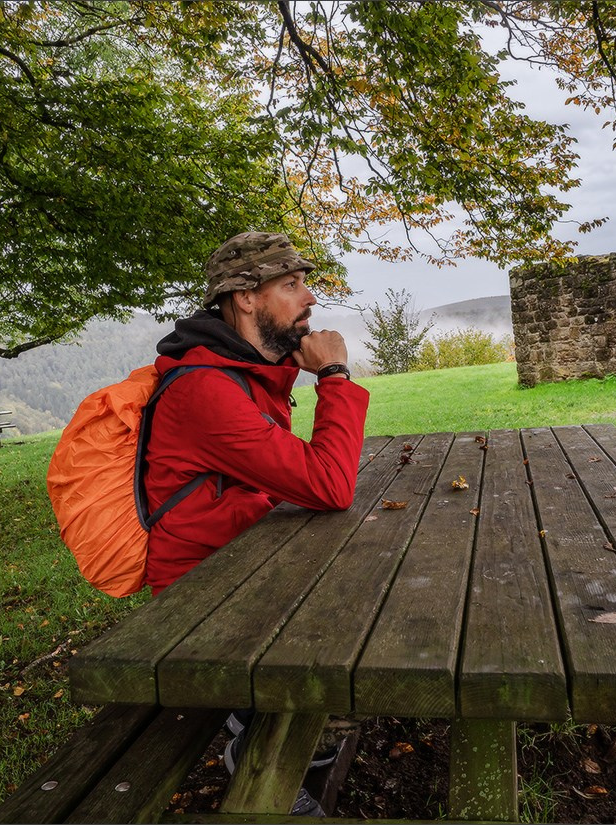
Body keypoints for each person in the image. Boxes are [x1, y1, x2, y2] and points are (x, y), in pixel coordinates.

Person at [142, 231, 370, 816]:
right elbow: (328, 484)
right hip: (203, 593)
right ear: (244, 298)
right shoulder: (206, 390)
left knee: (360, 577)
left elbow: (294, 479)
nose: (310, 298)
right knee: (350, 598)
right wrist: (335, 377)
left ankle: (281, 720)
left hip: (244, 558)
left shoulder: (239, 371)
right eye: (291, 285)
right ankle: (258, 748)